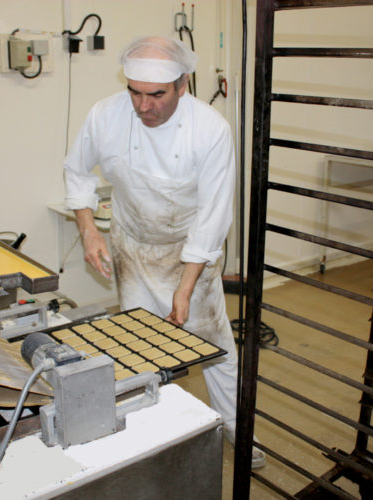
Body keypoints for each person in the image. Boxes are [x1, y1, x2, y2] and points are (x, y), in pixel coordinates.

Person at [63, 35, 265, 469]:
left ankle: (234, 428)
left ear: (183, 85)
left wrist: (186, 285)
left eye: (156, 95)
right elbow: (76, 171)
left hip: (188, 250)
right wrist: (89, 232)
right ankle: (154, 436)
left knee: (215, 346)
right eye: (134, 92)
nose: (142, 105)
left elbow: (213, 216)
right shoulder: (106, 116)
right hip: (133, 246)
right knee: (142, 346)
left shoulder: (209, 129)